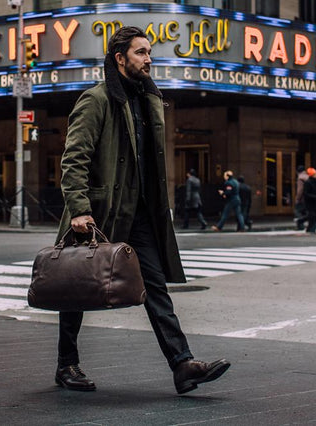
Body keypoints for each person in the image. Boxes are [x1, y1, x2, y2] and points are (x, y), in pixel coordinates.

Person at [56, 26, 229, 394]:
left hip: (141, 214)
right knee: (76, 287)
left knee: (155, 289)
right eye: (141, 53)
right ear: (120, 58)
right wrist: (80, 208)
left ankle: (182, 364)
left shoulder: (148, 100)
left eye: (149, 52)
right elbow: (74, 159)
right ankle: (66, 364)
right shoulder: (97, 100)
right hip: (102, 211)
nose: (149, 59)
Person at [303, 168, 316, 233]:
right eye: (315, 174)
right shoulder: (308, 182)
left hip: (315, 202)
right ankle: (311, 228)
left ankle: (311, 229)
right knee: (312, 216)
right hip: (310, 202)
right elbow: (306, 193)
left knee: (314, 216)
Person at [294, 165, 308, 230]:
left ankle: (300, 225)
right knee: (305, 211)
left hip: (302, 198)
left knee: (297, 211)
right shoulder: (308, 177)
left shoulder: (300, 178)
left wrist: (297, 198)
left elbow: (300, 190)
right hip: (308, 197)